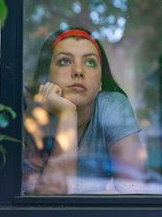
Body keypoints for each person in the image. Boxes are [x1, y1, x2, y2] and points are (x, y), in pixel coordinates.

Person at [22, 27, 147, 194]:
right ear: (46, 76)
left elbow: (135, 191)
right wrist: (67, 114)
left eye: (90, 62)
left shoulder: (112, 106)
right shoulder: (31, 112)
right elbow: (48, 201)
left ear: (101, 83)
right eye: (64, 61)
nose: (79, 71)